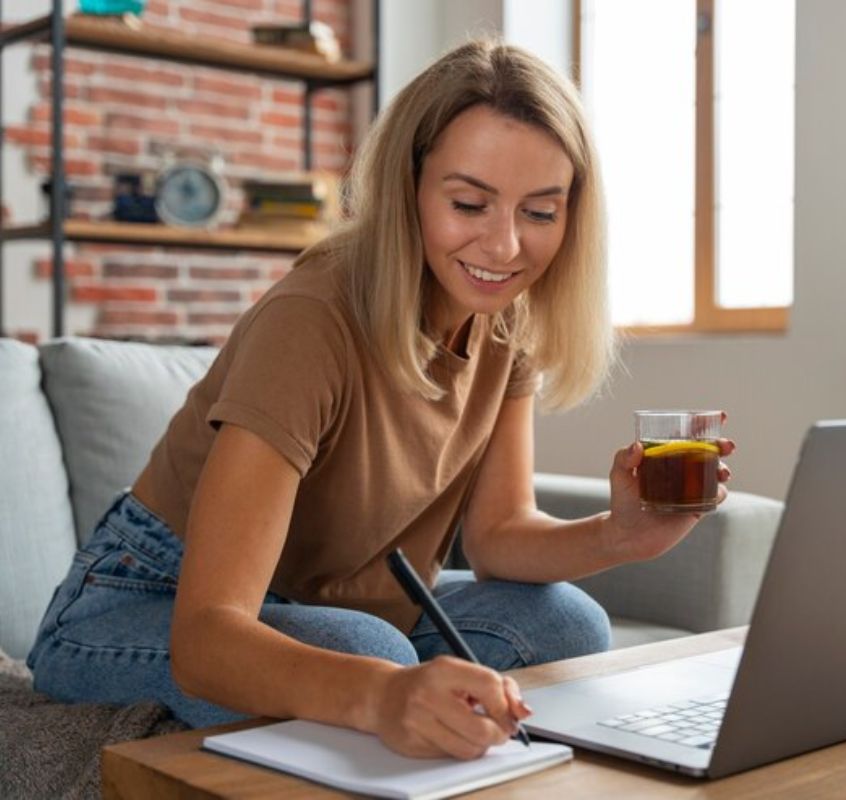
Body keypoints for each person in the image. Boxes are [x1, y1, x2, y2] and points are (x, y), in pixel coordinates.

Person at [27, 39, 734, 760]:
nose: (505, 246)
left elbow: (496, 537)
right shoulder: (311, 320)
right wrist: (379, 693)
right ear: (408, 187)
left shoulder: (506, 319)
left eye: (541, 212)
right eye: (469, 204)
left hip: (330, 603)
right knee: (371, 651)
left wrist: (620, 535)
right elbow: (208, 636)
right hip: (148, 601)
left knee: (567, 625)